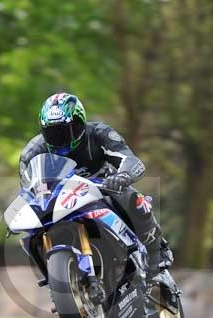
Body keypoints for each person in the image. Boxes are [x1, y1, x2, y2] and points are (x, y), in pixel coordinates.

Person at [19, 92, 173, 276]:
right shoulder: (32, 152)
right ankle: (59, 284)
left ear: (80, 123)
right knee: (32, 234)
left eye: (66, 130)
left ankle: (157, 250)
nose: (60, 138)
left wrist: (123, 176)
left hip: (102, 191)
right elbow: (28, 189)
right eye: (52, 133)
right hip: (60, 203)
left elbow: (131, 160)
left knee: (131, 196)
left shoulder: (100, 134)